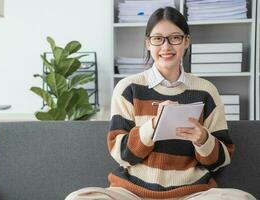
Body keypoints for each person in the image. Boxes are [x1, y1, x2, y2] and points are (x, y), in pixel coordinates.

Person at [65, 7, 256, 200]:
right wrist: (153, 126)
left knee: (241, 198)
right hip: (131, 193)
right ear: (148, 43)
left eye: (175, 38)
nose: (166, 47)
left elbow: (221, 160)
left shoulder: (206, 91)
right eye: (157, 38)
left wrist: (203, 140)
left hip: (191, 193)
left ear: (186, 41)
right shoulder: (128, 88)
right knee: (77, 198)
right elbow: (121, 154)